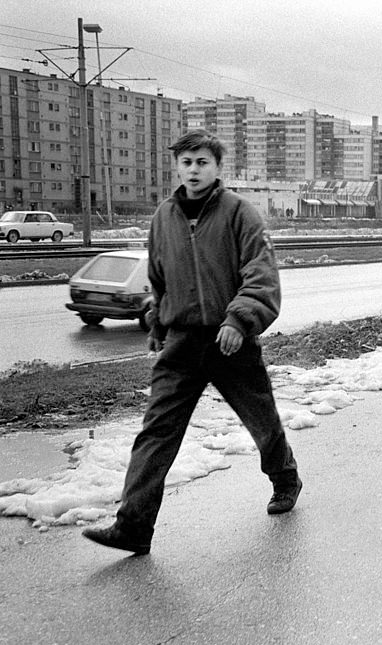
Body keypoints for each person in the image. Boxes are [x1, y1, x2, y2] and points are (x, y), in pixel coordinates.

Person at [83, 130, 301, 555]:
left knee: (261, 420)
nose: (194, 170)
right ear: (177, 167)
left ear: (218, 168)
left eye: (202, 162)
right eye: (186, 162)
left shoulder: (241, 213)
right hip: (182, 341)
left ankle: (285, 477)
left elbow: (261, 274)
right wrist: (157, 323)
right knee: (156, 431)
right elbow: (160, 278)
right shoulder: (164, 217)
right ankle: (134, 525)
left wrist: (240, 320)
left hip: (229, 340)